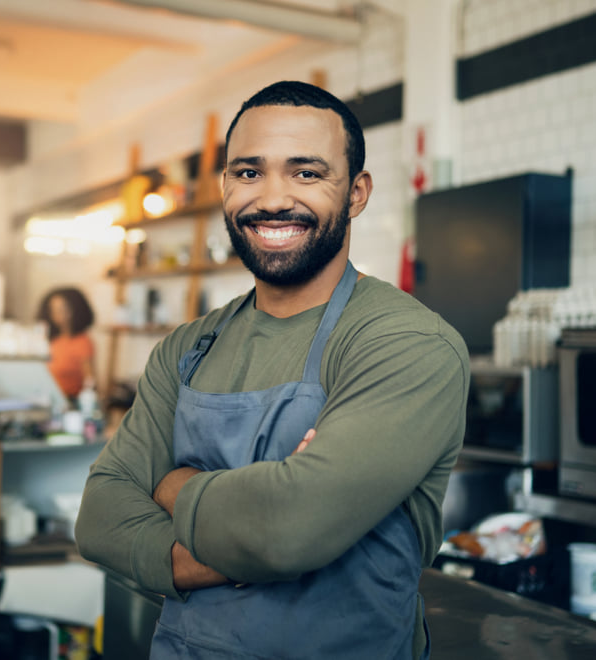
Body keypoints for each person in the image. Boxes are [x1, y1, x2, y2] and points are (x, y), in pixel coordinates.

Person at [75, 80, 469, 659]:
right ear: (226, 186)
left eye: (307, 173)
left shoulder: (405, 343)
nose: (273, 198)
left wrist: (170, 483)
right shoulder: (188, 345)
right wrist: (242, 540)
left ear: (357, 193)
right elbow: (101, 516)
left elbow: (287, 530)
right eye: (249, 172)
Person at [37, 287, 96, 402]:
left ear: (74, 310)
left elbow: (90, 380)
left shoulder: (82, 342)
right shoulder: (52, 340)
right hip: (48, 398)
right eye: (54, 310)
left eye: (62, 309)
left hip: (71, 400)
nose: (57, 315)